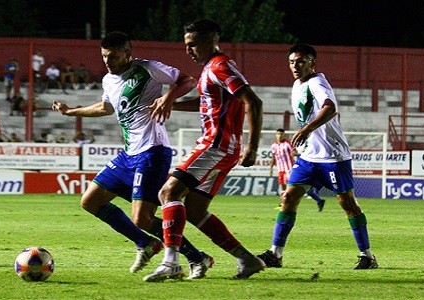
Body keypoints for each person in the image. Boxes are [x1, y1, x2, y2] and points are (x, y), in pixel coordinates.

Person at [52, 31, 214, 279]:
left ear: (128, 54)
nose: (108, 61)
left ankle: (197, 258)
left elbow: (187, 81)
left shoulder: (147, 68)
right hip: (129, 154)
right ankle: (146, 244)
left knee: (142, 217)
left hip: (152, 151)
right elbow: (106, 107)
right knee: (90, 201)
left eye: (114, 56)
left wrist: (168, 97)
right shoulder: (109, 80)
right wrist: (72, 112)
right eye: (105, 56)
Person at [143, 19, 265, 282]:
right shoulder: (212, 68)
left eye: (193, 44)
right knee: (195, 210)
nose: (189, 50)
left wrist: (253, 148)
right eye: (186, 45)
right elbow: (206, 101)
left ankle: (171, 261)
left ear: (211, 40)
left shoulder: (220, 66)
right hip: (220, 146)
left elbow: (253, 102)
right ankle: (247, 259)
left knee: (169, 191)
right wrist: (170, 103)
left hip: (216, 145)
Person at [256, 43, 378, 270]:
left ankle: (368, 256)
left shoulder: (317, 82)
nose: (295, 66)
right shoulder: (296, 85)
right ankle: (276, 254)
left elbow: (330, 108)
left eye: (301, 61)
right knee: (288, 198)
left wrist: (306, 129)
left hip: (333, 156)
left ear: (313, 63)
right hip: (309, 157)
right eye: (292, 62)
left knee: (347, 203)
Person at [270, 128, 325, 211]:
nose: (279, 135)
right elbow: (274, 157)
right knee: (283, 187)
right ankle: (283, 204)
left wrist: (298, 153)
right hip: (280, 169)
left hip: (289, 169)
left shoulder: (287, 144)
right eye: (278, 134)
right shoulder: (274, 145)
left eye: (281, 134)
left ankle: (286, 204)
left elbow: (294, 152)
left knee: (292, 187)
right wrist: (271, 167)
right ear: (276, 135)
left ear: (284, 135)